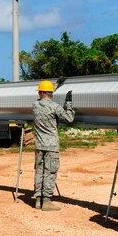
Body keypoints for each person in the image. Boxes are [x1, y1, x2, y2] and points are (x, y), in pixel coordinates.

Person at [32, 81, 74, 210]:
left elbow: (45, 96)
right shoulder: (55, 107)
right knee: (50, 172)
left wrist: (55, 85)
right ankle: (47, 201)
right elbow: (69, 118)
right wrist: (68, 103)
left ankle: (38, 200)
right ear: (50, 93)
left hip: (39, 146)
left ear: (42, 92)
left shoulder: (35, 105)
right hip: (51, 147)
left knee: (39, 171)